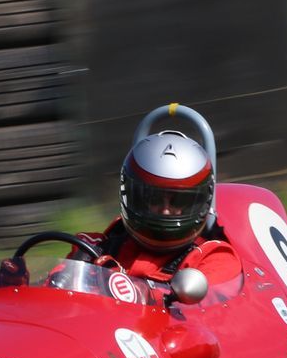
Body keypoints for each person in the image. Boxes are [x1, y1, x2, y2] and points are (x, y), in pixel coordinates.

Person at [78, 111, 241, 289]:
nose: (165, 210)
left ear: (200, 202)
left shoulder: (215, 259)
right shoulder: (97, 248)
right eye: (153, 198)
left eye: (179, 201)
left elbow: (207, 310)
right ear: (135, 197)